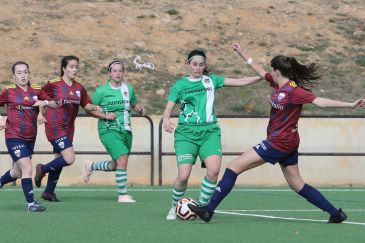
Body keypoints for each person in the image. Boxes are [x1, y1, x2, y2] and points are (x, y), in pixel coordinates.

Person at [188, 44, 365, 223]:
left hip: (279, 142)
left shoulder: (294, 90)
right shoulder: (277, 82)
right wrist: (242, 52)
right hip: (288, 142)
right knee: (297, 184)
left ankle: (208, 210)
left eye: (272, 70)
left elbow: (320, 102)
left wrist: (350, 104)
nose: (269, 73)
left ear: (278, 72)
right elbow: (258, 71)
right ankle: (336, 214)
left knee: (233, 167)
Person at [163, 48, 262, 220]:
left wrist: (264, 76)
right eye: (194, 64)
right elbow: (168, 108)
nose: (198, 68)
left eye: (201, 65)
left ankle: (201, 207)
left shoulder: (211, 81)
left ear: (204, 65)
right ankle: (174, 207)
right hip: (186, 133)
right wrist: (166, 119)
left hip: (209, 131)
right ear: (188, 65)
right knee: (183, 175)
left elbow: (241, 81)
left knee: (214, 170)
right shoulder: (180, 85)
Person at [34, 55, 107, 202]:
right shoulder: (54, 84)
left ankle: (48, 192)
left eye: (76, 67)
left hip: (68, 128)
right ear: (63, 68)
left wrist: (98, 108)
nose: (75, 69)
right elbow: (38, 97)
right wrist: (41, 112)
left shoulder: (79, 87)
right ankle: (42, 169)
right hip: (54, 126)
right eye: (71, 67)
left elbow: (87, 106)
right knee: (69, 158)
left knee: (59, 159)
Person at [82, 60, 145, 203]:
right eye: (114, 71)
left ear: (123, 73)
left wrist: (140, 109)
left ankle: (91, 166)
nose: (117, 73)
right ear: (109, 73)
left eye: (120, 70)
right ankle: (122, 195)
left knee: (117, 165)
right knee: (122, 158)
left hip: (126, 131)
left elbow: (135, 103)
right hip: (108, 130)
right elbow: (88, 109)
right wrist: (104, 115)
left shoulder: (128, 89)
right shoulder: (101, 91)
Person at [0, 61, 57, 212]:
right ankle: (31, 204)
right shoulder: (9, 91)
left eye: (25, 72)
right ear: (13, 76)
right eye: (19, 73)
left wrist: (43, 102)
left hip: (30, 137)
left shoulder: (37, 89)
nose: (23, 75)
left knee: (18, 172)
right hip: (13, 136)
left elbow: (54, 104)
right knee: (27, 167)